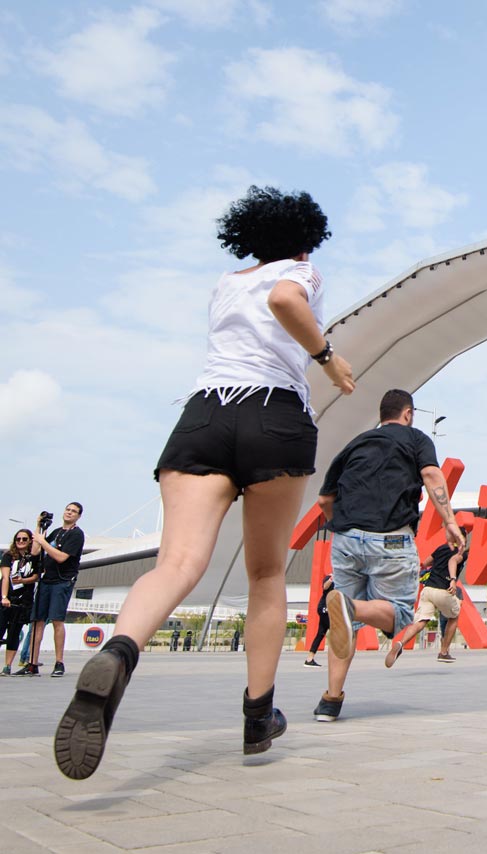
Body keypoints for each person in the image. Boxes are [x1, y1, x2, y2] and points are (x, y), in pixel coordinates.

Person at [54, 186, 356, 780]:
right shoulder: (301, 270)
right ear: (303, 238)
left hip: (205, 416)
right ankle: (257, 717)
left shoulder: (225, 282)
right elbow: (285, 298)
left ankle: (118, 653)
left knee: (176, 564)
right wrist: (327, 358)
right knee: (267, 574)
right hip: (274, 414)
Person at [314, 389, 464, 722]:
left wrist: (348, 531)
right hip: (392, 539)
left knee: (344, 626)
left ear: (381, 414)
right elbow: (431, 475)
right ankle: (350, 607)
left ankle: (331, 700)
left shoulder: (356, 444)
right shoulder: (416, 439)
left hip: (346, 538)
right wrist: (449, 522)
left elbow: (325, 501)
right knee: (399, 614)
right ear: (408, 413)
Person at [28, 503, 86, 678]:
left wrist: (43, 542)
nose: (69, 513)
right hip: (47, 580)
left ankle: (59, 661)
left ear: (78, 516)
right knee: (38, 620)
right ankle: (32, 662)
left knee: (56, 620)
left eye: (73, 511)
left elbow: (61, 557)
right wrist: (39, 527)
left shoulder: (76, 534)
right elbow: (35, 551)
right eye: (67, 510)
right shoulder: (55, 532)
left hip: (62, 580)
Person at [386, 543, 466, 667]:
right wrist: (453, 579)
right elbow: (452, 560)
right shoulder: (460, 553)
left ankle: (401, 643)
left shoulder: (441, 548)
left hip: (427, 589)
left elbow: (426, 562)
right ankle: (444, 652)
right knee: (454, 615)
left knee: (420, 622)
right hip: (443, 590)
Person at [1, 529, 39, 676]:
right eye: (18, 539)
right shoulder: (9, 556)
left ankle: (7, 665)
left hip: (24, 600)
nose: (21, 542)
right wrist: (4, 596)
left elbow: (36, 576)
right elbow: (5, 578)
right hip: (8, 598)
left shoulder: (34, 557)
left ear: (30, 540)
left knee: (14, 633)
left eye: (24, 539)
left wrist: (23, 580)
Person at [303, 576, 335, 667]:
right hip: (325, 609)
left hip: (331, 610)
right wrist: (332, 578)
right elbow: (325, 587)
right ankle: (335, 660)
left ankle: (309, 659)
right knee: (336, 633)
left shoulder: (342, 580)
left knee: (320, 633)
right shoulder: (330, 577)